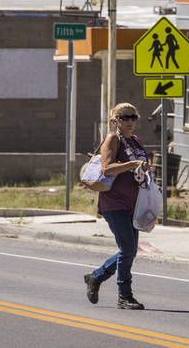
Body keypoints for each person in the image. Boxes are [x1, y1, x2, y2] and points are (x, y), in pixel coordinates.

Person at [83, 103, 150, 310]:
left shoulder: (135, 141)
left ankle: (96, 276)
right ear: (115, 121)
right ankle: (124, 296)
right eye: (125, 117)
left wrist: (144, 169)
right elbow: (107, 168)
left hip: (134, 202)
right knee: (128, 249)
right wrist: (132, 165)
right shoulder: (112, 139)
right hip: (114, 202)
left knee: (129, 251)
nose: (130, 121)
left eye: (133, 117)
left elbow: (139, 166)